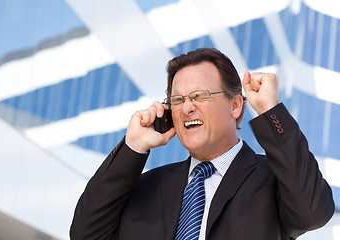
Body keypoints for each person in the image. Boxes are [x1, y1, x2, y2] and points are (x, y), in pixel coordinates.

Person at [70, 48, 334, 240]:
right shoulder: (146, 187)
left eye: (200, 96)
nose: (187, 108)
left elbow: (314, 212)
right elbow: (85, 234)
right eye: (178, 100)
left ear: (234, 105)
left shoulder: (273, 180)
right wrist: (133, 146)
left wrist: (270, 110)